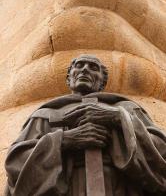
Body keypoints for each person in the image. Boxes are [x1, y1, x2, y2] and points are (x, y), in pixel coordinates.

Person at [5, 54, 166, 196]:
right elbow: (16, 163)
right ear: (69, 78)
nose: (85, 70)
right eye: (79, 66)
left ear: (102, 82)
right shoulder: (46, 114)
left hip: (119, 187)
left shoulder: (127, 109)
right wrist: (64, 140)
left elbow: (161, 151)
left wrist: (118, 119)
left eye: (93, 67)